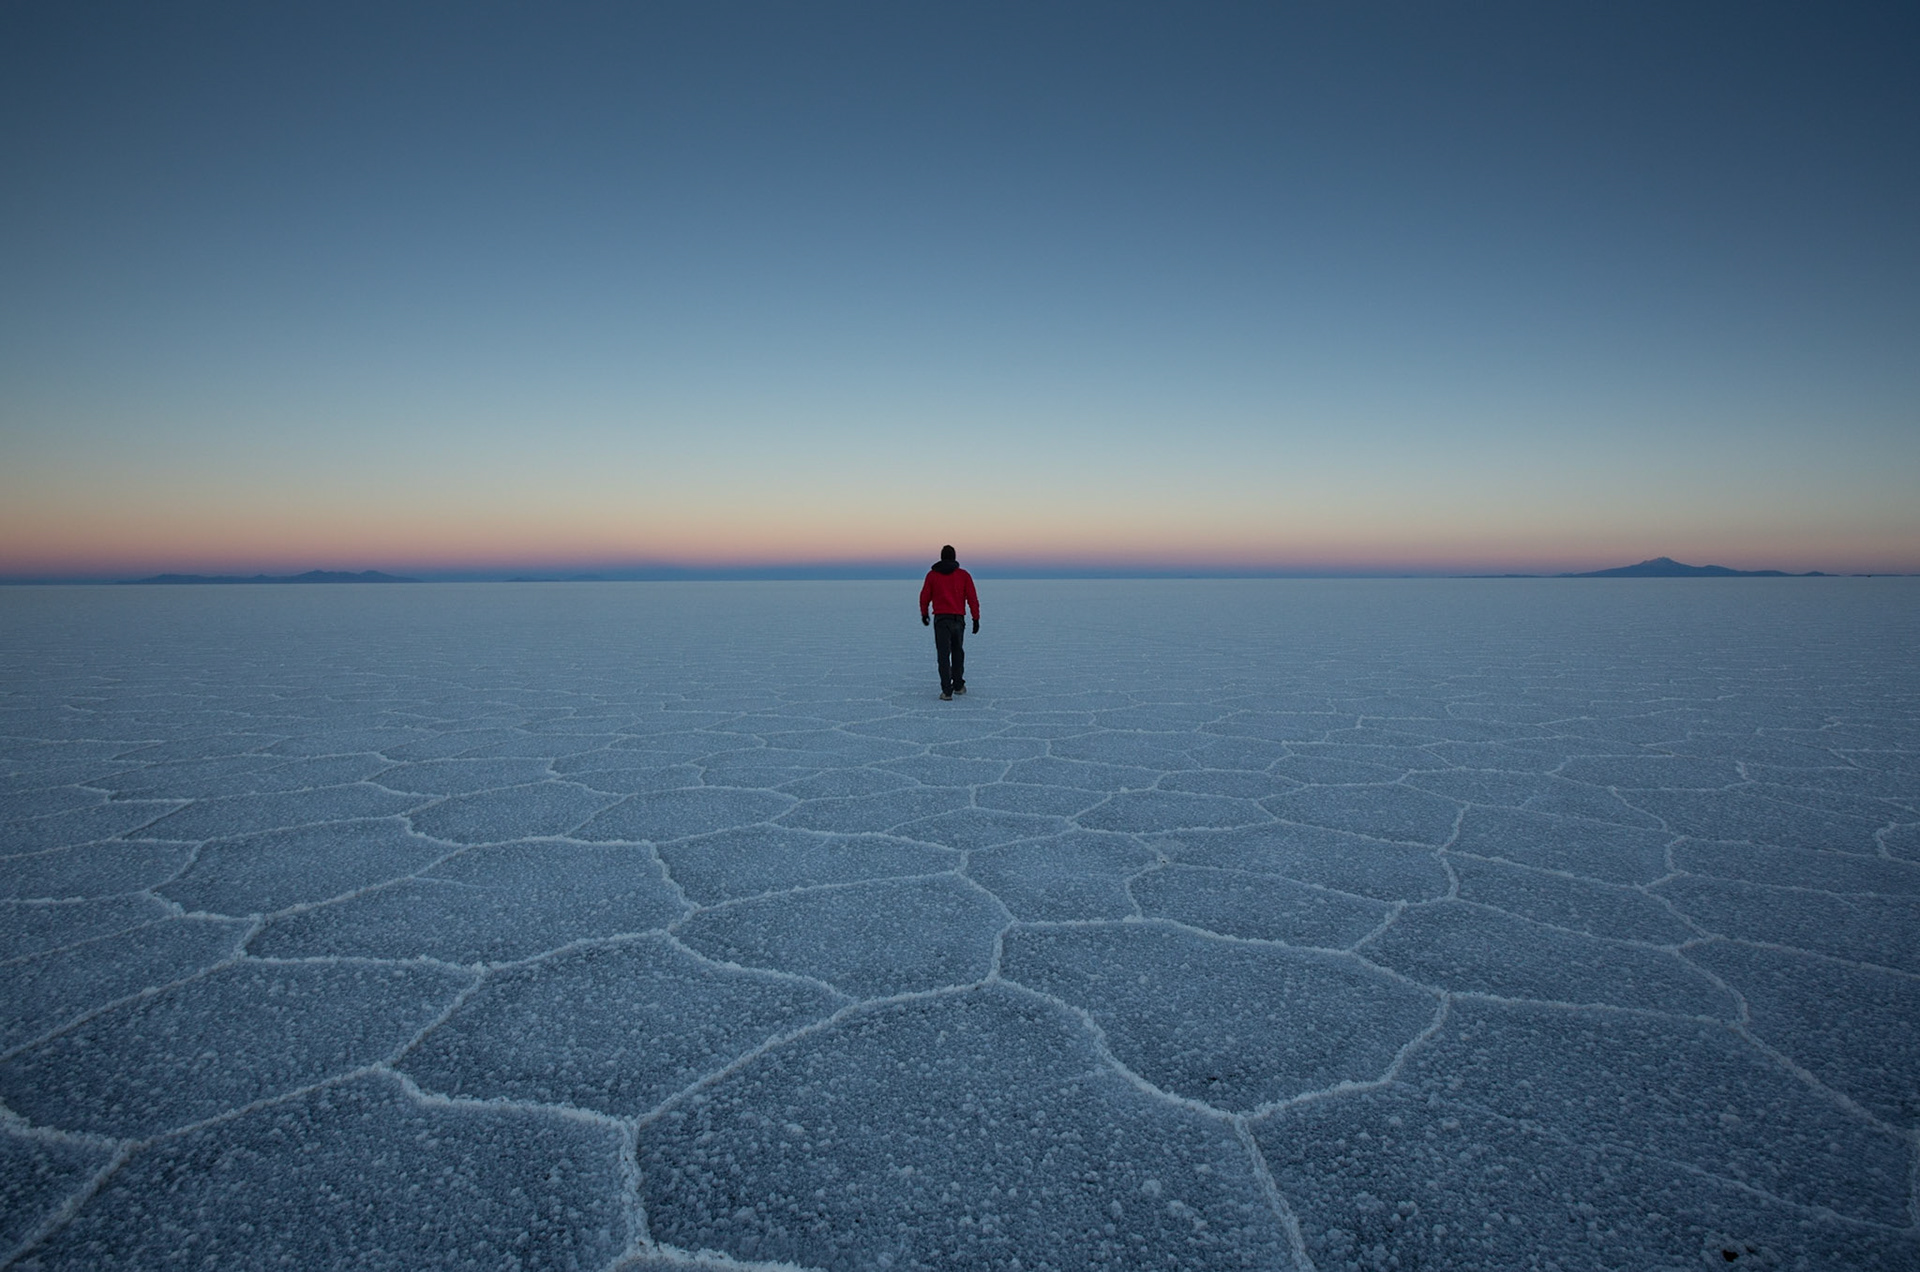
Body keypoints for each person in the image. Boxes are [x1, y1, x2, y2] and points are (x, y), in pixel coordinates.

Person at [918, 545, 980, 700]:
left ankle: (947, 691)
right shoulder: (963, 575)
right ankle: (958, 685)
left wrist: (924, 613)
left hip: (941, 620)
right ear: (954, 557)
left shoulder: (932, 575)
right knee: (957, 652)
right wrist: (975, 618)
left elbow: (924, 596)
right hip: (958, 620)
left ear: (941, 557)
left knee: (943, 654)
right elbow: (972, 598)